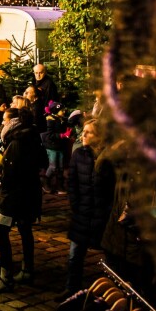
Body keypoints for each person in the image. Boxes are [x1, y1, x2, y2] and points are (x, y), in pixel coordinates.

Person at [0, 108, 47, 291]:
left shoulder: (16, 143)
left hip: (14, 197)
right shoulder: (33, 137)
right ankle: (27, 269)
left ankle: (5, 276)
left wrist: (3, 192)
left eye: (5, 121)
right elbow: (43, 162)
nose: (2, 124)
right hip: (30, 193)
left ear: (13, 122)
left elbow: (10, 174)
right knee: (24, 228)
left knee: (0, 230)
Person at [61, 119, 113, 298]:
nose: (83, 135)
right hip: (82, 213)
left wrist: (107, 210)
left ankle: (109, 295)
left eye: (89, 132)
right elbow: (72, 182)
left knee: (110, 258)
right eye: (83, 131)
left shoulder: (109, 158)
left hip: (102, 215)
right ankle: (71, 288)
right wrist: (75, 204)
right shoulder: (78, 154)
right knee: (74, 256)